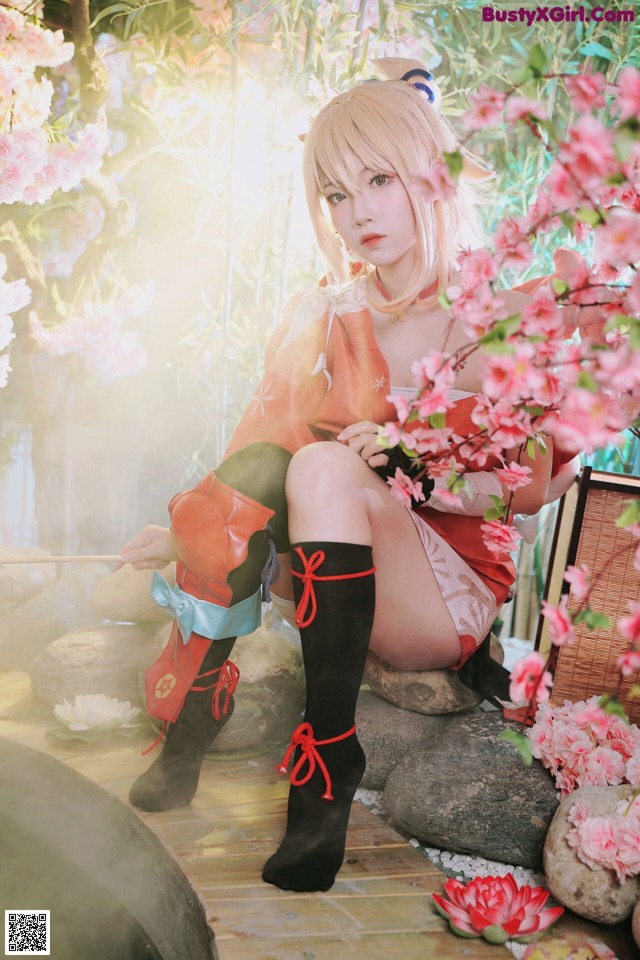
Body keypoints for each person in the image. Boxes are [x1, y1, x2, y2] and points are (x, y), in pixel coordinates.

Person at [119, 58, 557, 894]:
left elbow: (529, 488)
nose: (357, 214)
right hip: (344, 563)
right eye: (336, 194)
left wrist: (409, 468)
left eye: (379, 180)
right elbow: (263, 446)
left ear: (430, 174)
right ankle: (198, 711)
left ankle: (325, 765)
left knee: (320, 462)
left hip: (446, 589)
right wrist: (190, 527)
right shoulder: (331, 311)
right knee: (267, 463)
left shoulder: (496, 312)